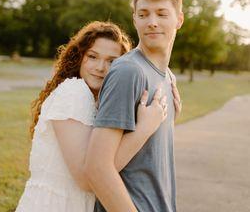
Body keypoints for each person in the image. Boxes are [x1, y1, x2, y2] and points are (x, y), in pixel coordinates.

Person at [15, 21, 169, 212]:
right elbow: (88, 178)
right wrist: (144, 130)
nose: (100, 67)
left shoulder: (96, 102)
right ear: (79, 57)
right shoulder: (73, 93)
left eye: (112, 61)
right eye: (92, 57)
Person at [85, 0, 184, 212]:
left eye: (161, 14)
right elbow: (97, 168)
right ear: (134, 19)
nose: (152, 22)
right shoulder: (129, 71)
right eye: (143, 14)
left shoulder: (167, 77)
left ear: (179, 19)